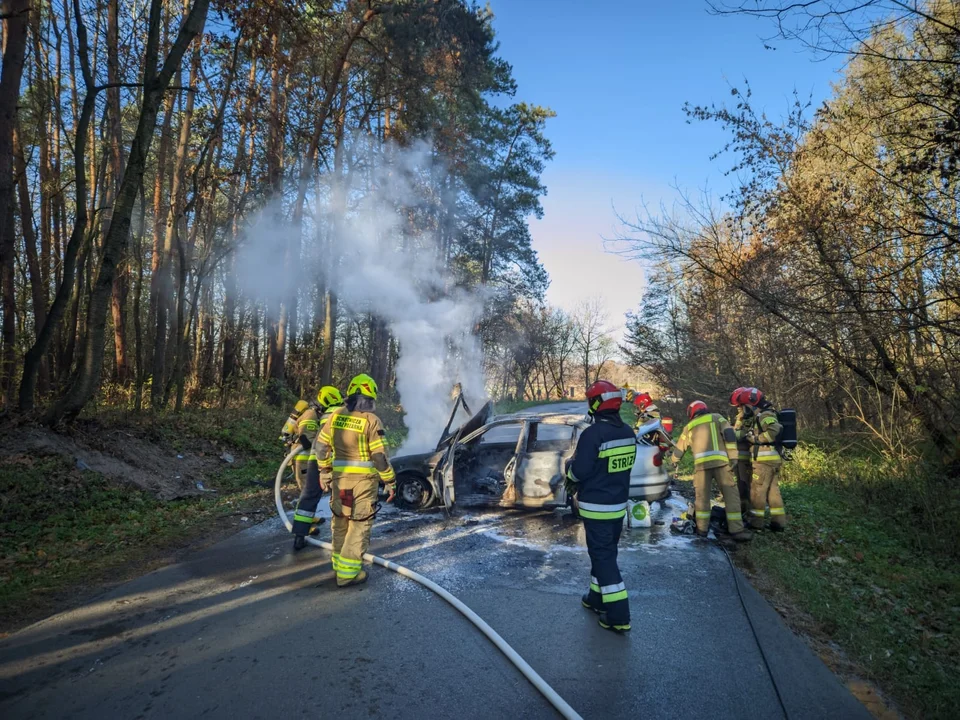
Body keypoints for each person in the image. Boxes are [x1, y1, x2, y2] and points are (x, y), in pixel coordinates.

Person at [292, 373, 396, 586]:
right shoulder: (371, 420)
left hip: (340, 482)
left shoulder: (335, 416)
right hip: (363, 485)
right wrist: (390, 480)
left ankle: (339, 565)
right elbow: (378, 457)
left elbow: (320, 447)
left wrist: (324, 472)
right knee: (359, 525)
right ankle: (347, 575)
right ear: (370, 397)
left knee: (340, 521)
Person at [566, 380, 637, 634]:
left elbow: (581, 470)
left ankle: (618, 616)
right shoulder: (628, 432)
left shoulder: (593, 434)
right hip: (617, 506)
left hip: (596, 506)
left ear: (596, 403)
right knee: (605, 553)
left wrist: (569, 474)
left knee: (603, 557)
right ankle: (596, 598)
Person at [671, 400, 752, 542]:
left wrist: (674, 461)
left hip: (702, 468)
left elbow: (679, 449)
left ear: (691, 413)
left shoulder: (689, 427)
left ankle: (702, 530)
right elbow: (730, 435)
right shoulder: (717, 418)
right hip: (722, 464)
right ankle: (737, 530)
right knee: (731, 496)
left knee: (702, 499)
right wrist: (733, 457)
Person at [748, 396, 788, 531]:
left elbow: (775, 429)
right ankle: (778, 523)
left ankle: (756, 524)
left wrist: (757, 439)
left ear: (754, 405)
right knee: (773, 492)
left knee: (757, 492)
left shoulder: (764, 414)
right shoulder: (769, 412)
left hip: (764, 462)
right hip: (773, 460)